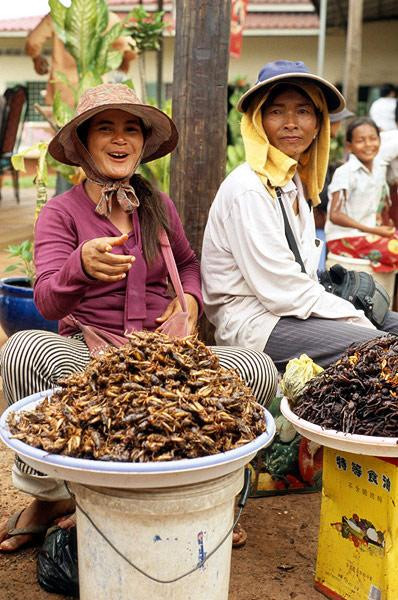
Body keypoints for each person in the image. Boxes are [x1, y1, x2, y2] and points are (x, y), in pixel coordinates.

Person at [0, 83, 277, 552]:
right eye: (105, 128)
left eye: (131, 129)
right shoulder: (61, 214)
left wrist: (188, 300)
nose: (120, 139)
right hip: (90, 350)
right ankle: (54, 497)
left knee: (257, 368)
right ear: (83, 144)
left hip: (162, 352)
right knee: (24, 351)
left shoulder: (157, 205)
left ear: (143, 144)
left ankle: (207, 495)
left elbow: (188, 265)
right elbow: (46, 301)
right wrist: (79, 266)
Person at [201, 60, 398, 374]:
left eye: (304, 111)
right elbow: (283, 293)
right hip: (257, 323)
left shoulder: (294, 181)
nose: (291, 122)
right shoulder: (250, 188)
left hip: (292, 308)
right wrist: (355, 318)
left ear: (319, 122)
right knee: (384, 353)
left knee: (393, 327)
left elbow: (301, 281)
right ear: (258, 121)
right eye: (276, 111)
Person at [325, 116, 398, 275]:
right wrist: (374, 230)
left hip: (369, 234)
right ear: (349, 146)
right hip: (343, 239)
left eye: (373, 139)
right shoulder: (345, 172)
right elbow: (335, 215)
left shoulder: (379, 168)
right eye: (360, 140)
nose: (368, 145)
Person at [25, 12, 136, 108]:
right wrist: (124, 63)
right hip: (95, 90)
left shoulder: (57, 14)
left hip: (63, 90)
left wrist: (36, 58)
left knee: (65, 130)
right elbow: (129, 47)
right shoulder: (106, 16)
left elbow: (32, 42)